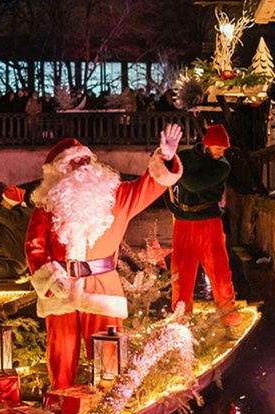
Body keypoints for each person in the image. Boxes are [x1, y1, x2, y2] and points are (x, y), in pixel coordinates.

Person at [26, 127, 183, 390]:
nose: (82, 167)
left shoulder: (116, 196)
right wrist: (50, 278)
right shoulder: (46, 206)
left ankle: (107, 407)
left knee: (108, 358)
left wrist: (165, 157)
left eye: (85, 160)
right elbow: (34, 246)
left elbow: (150, 185)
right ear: (58, 171)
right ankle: (60, 405)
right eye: (73, 163)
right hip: (59, 288)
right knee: (60, 356)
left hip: (101, 287)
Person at [169, 124, 239, 324]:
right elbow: (168, 183)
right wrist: (173, 208)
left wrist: (176, 168)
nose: (221, 152)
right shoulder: (185, 157)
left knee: (219, 272)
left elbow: (194, 184)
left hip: (208, 222)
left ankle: (229, 318)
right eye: (218, 147)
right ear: (207, 144)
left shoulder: (222, 166)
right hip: (183, 221)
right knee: (180, 273)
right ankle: (181, 318)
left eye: (224, 149)